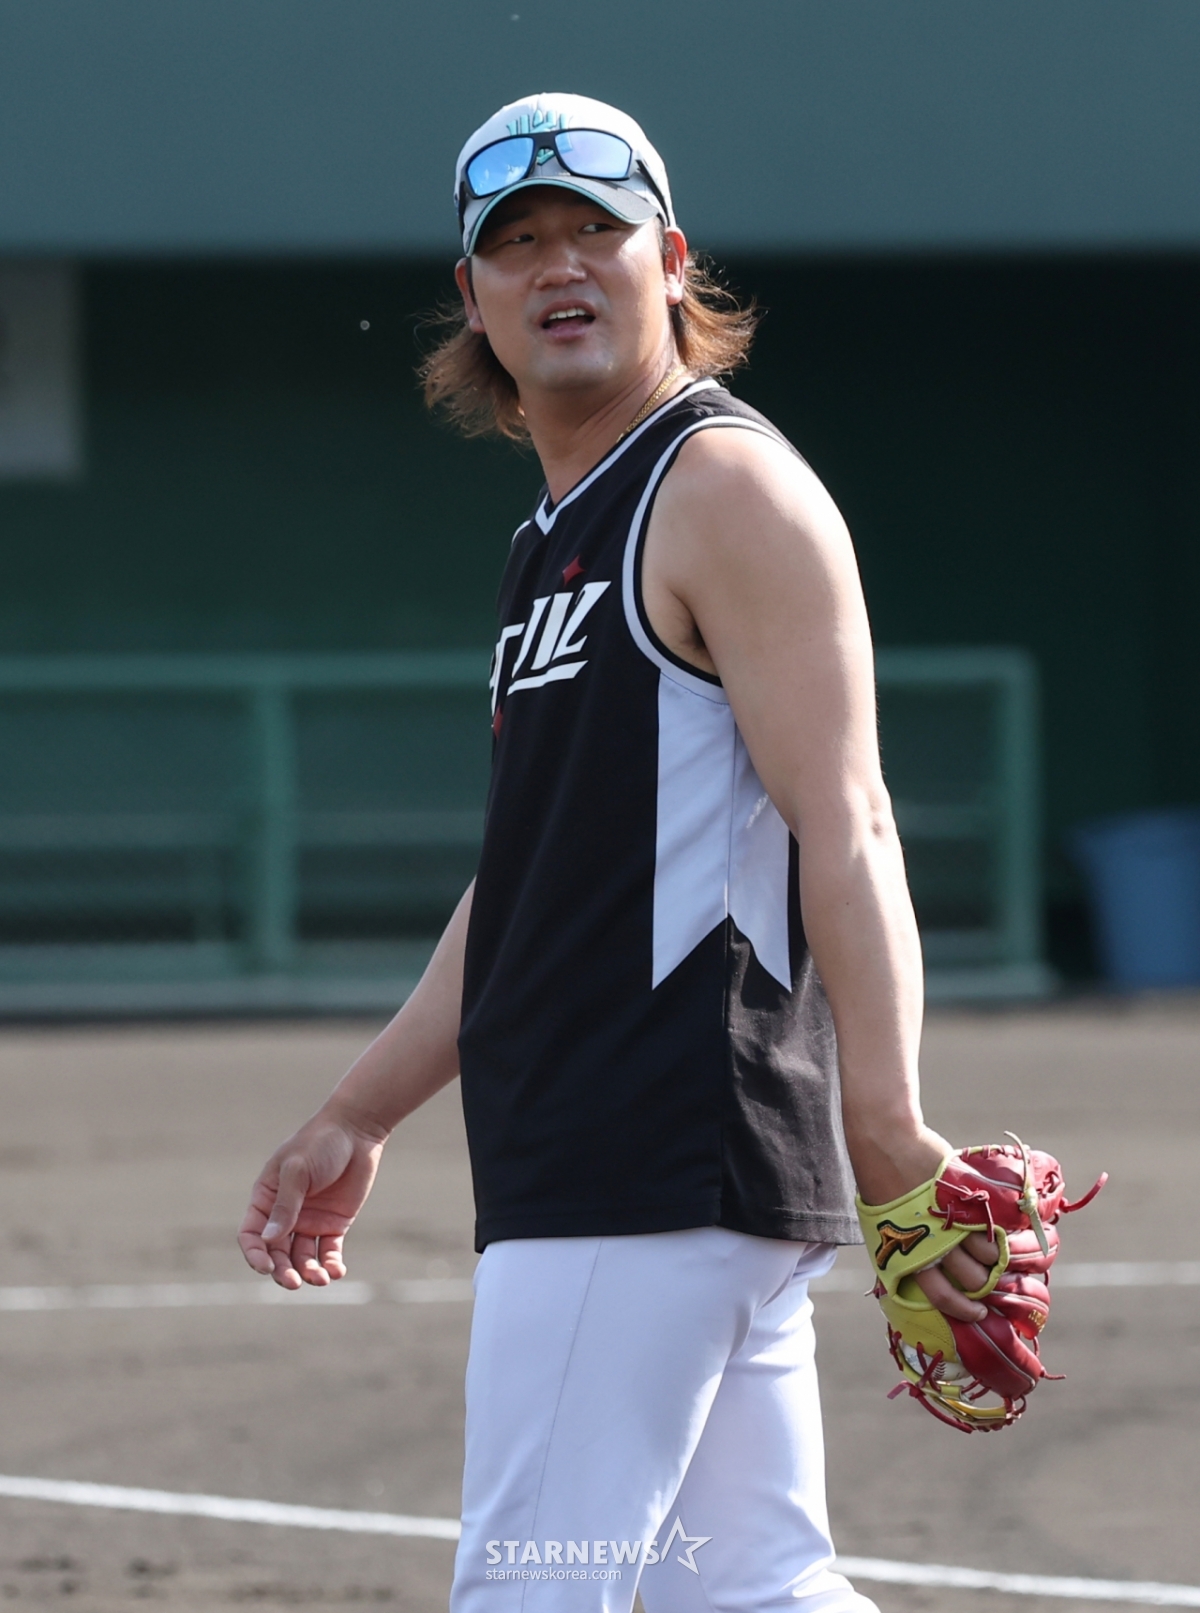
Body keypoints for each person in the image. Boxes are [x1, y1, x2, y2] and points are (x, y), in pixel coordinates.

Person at [239, 93, 997, 1613]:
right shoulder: (557, 538)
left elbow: (849, 818)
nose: (560, 263)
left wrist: (890, 1121)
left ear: (672, 259)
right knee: (755, 1592)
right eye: (517, 242)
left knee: (535, 1589)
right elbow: (529, 876)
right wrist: (359, 1110)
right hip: (638, 1161)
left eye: (598, 227)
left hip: (644, 1147)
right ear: (473, 298)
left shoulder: (718, 487)